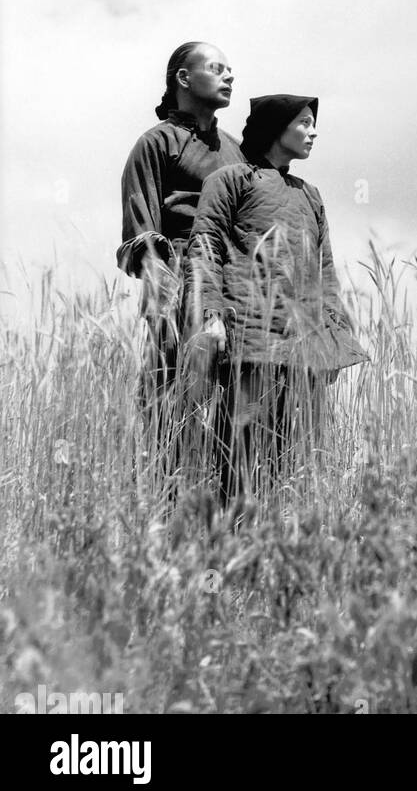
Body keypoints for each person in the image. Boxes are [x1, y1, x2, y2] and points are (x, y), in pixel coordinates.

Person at [184, 95, 367, 503]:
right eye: (303, 122)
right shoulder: (230, 180)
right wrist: (210, 315)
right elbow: (205, 245)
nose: (313, 131)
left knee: (301, 465)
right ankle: (237, 551)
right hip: (251, 346)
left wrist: (334, 342)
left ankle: (287, 555)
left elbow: (326, 271)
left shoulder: (310, 195)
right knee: (242, 463)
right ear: (275, 126)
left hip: (304, 352)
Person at [118, 42, 244, 481]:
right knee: (171, 401)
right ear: (183, 79)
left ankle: (231, 506)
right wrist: (169, 312)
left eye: (231, 70)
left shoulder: (236, 151)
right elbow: (143, 238)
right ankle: (164, 499)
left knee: (238, 404)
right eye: (217, 68)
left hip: (234, 290)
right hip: (179, 289)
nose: (229, 76)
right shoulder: (155, 144)